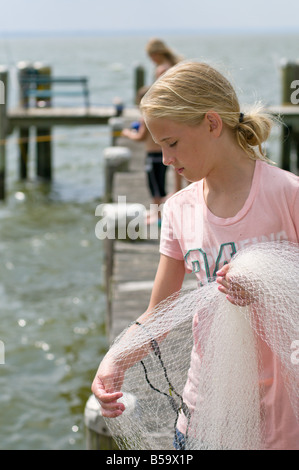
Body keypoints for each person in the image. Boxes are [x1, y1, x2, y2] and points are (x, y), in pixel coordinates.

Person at [92, 61, 299, 450]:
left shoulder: (288, 194)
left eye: (171, 143)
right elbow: (160, 313)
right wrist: (115, 359)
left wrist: (270, 286)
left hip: (284, 417)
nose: (166, 159)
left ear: (211, 123)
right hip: (205, 411)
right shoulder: (178, 210)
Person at [121, 86, 167, 224]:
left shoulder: (145, 117)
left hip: (152, 157)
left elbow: (140, 137)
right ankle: (158, 213)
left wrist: (128, 134)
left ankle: (158, 217)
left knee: (154, 187)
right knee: (161, 185)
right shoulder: (160, 115)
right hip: (162, 156)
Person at [146, 38, 184, 193]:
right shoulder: (177, 66)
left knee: (172, 156)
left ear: (156, 54)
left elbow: (157, 95)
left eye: (150, 56)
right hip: (180, 114)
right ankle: (184, 191)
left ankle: (177, 193)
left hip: (168, 115)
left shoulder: (162, 70)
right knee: (183, 156)